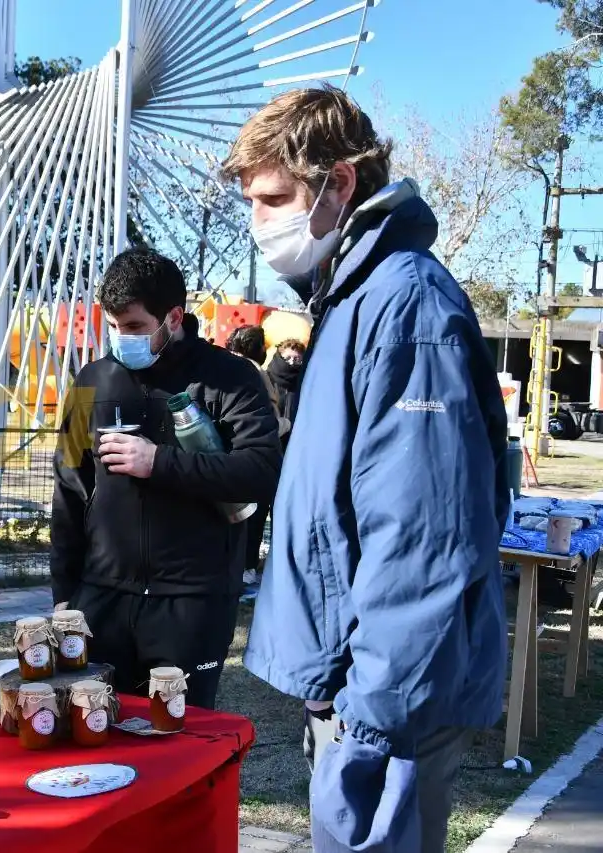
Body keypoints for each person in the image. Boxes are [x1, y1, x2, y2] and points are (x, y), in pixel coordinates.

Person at [223, 86, 509, 853]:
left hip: (388, 702)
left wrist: (371, 711)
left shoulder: (405, 306)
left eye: (275, 197)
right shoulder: (353, 300)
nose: (262, 223)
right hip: (361, 687)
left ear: (340, 181)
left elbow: (424, 532)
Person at [50, 247, 281, 708]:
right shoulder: (92, 381)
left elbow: (260, 471)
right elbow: (69, 490)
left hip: (192, 604)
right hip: (102, 600)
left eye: (134, 327)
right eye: (113, 327)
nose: (121, 339)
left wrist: (159, 462)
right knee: (96, 736)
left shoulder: (230, 379)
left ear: (173, 317)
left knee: (180, 745)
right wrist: (64, 595)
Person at [225, 325, 287, 587]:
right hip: (254, 455)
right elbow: (268, 421)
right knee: (252, 517)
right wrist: (288, 423)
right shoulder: (256, 372)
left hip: (225, 455)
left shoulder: (224, 365)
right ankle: (247, 567)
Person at [267, 338, 306, 428]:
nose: (292, 362)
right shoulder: (267, 379)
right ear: (280, 357)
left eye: (297, 359)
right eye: (288, 358)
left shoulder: (303, 384)